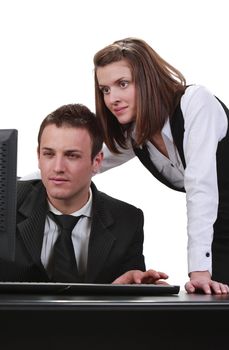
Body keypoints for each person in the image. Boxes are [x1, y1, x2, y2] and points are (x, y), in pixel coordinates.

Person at [93, 37, 229, 295]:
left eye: (122, 84)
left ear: (147, 79)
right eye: (105, 89)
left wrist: (198, 270)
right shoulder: (135, 135)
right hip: (222, 236)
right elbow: (85, 162)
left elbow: (201, 186)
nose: (112, 98)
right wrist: (17, 179)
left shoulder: (196, 102)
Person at [0, 103, 168, 284]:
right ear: (38, 157)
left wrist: (129, 292)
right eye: (48, 154)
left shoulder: (127, 221)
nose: (57, 168)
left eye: (71, 155)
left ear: (96, 161)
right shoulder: (6, 203)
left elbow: (128, 292)